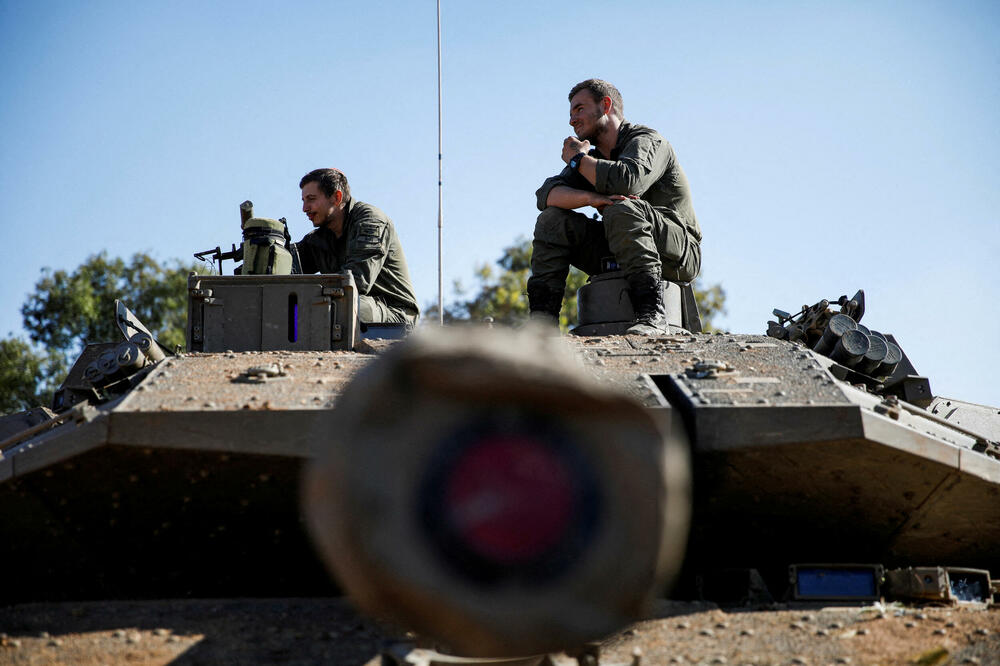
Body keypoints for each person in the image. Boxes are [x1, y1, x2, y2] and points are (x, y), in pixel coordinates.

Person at [527, 79, 702, 334]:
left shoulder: (647, 140)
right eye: (571, 113)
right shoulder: (592, 159)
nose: (572, 120)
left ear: (605, 105)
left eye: (579, 109)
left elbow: (628, 182)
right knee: (552, 221)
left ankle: (652, 315)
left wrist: (577, 158)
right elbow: (547, 196)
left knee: (622, 209)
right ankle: (542, 327)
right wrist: (592, 199)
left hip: (676, 252)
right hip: (618, 244)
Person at [297, 168, 419, 325]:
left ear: (336, 197)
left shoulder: (370, 221)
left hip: (395, 314)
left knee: (343, 308)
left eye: (311, 199)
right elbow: (288, 267)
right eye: (303, 201)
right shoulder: (320, 238)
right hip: (348, 305)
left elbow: (356, 282)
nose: (305, 208)